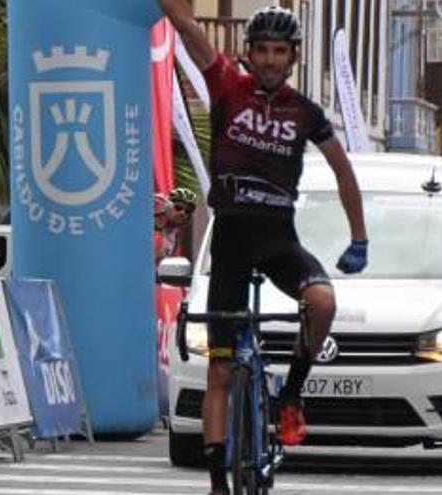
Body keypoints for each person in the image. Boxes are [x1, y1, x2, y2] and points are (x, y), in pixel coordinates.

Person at [157, 3, 368, 494]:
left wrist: (359, 237)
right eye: (263, 50)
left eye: (280, 51)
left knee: (322, 302)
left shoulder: (305, 112)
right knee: (220, 370)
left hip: (278, 240)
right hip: (230, 241)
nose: (271, 60)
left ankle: (291, 397)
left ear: (293, 57)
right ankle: (216, 483)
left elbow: (342, 170)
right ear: (248, 53)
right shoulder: (226, 85)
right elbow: (186, 25)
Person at [154, 186, 198, 266]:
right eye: (178, 207)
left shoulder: (174, 235)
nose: (183, 213)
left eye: (188, 211)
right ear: (168, 207)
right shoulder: (151, 222)